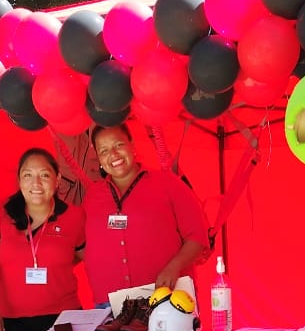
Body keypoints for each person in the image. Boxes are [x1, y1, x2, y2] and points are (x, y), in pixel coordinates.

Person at [81, 124, 210, 307]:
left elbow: (198, 237)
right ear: (99, 158)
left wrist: (173, 267)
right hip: (111, 304)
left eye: (118, 145)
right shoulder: (92, 196)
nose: (114, 155)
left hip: (166, 298)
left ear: (132, 144)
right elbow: (79, 244)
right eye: (104, 150)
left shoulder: (168, 184)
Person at [0, 147, 86, 331]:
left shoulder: (74, 216)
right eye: (28, 175)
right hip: (14, 321)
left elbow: (87, 257)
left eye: (44, 175)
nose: (36, 183)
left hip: (65, 318)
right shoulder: (0, 212)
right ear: (19, 180)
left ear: (58, 179)